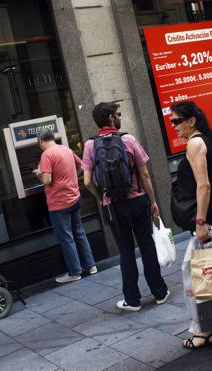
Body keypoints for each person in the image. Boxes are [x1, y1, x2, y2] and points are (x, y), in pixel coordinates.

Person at [83, 102, 169, 311]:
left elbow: (86, 182)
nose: (120, 117)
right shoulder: (128, 140)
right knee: (146, 246)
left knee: (126, 251)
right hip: (138, 201)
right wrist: (153, 201)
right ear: (111, 118)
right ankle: (159, 292)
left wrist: (101, 197)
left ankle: (132, 300)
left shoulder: (90, 145)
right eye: (118, 114)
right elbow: (145, 174)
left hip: (113, 206)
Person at [168, 101, 212, 349]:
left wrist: (200, 221)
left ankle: (206, 331)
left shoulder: (195, 143)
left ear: (191, 120)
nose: (173, 126)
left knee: (200, 276)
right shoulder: (206, 139)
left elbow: (204, 185)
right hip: (211, 219)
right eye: (171, 121)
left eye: (176, 121)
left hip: (205, 222)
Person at [35, 129, 97, 283]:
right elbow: (81, 165)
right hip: (75, 198)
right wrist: (70, 177)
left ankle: (75, 272)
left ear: (41, 141)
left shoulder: (46, 155)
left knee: (66, 238)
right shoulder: (66, 149)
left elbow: (47, 180)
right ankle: (91, 266)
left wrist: (38, 173)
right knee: (79, 232)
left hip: (59, 203)